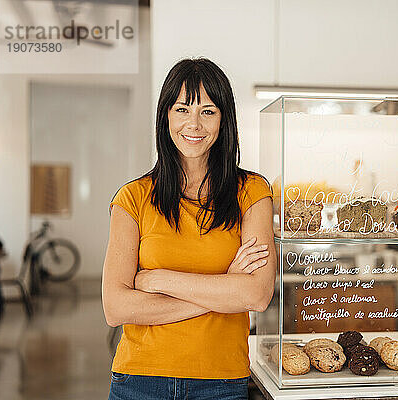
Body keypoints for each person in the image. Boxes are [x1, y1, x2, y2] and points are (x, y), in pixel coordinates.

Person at [102, 58, 276, 400]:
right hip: (139, 379)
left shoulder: (252, 191)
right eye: (182, 109)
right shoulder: (132, 198)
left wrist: (158, 279)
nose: (193, 124)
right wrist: (225, 288)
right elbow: (116, 308)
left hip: (222, 382)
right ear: (166, 115)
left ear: (224, 119)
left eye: (208, 111)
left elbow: (256, 295)